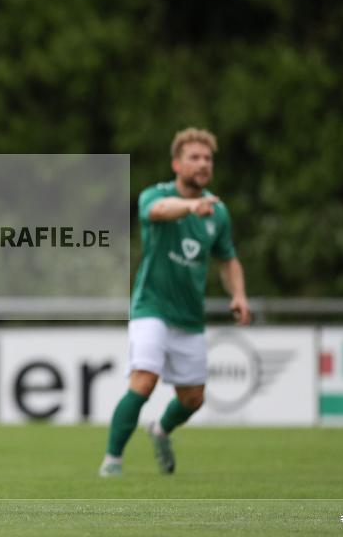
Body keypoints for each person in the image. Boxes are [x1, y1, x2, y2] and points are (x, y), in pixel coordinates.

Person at [99, 128, 251, 477]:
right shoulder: (158, 195)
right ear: (176, 164)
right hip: (150, 308)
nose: (202, 164)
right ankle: (112, 461)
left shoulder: (218, 212)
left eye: (207, 159)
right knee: (144, 379)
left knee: (193, 398)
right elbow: (160, 211)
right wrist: (190, 207)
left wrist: (238, 295)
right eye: (194, 158)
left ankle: (161, 430)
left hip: (189, 317)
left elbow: (228, 259)